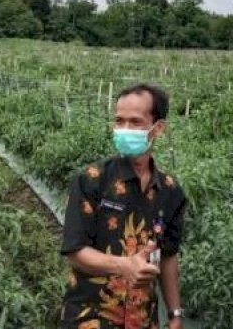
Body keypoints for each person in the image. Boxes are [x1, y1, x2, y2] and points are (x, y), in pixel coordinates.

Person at [59, 83, 187, 329]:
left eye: (135, 122)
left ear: (157, 128)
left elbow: (169, 255)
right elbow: (75, 251)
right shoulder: (92, 180)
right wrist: (124, 265)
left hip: (142, 318)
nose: (124, 129)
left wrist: (175, 313)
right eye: (119, 121)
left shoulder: (170, 192)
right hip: (91, 316)